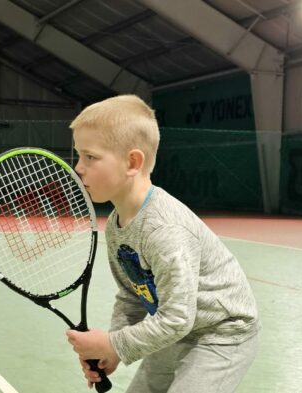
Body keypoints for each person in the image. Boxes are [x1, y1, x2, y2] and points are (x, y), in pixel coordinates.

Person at [64, 94, 260, 392]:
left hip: (221, 333)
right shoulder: (117, 226)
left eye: (90, 157)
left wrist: (115, 344)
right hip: (175, 328)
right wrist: (112, 350)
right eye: (79, 156)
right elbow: (132, 296)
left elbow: (179, 317)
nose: (79, 167)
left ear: (132, 162)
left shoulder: (164, 229)